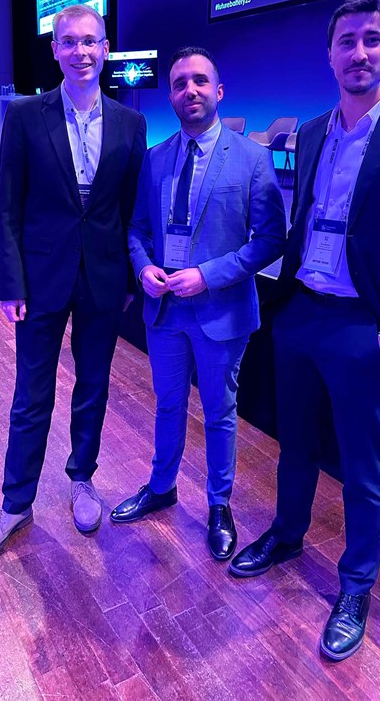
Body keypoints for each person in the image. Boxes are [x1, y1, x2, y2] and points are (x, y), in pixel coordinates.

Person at [230, 0, 380, 660]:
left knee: (363, 471)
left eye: (370, 40)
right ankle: (286, 535)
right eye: (346, 41)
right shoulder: (307, 133)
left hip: (367, 330)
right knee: (294, 448)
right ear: (329, 55)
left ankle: (355, 587)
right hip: (301, 315)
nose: (358, 52)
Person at [0, 5, 146, 563]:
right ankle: (15, 503)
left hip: (104, 279)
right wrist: (10, 283)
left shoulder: (131, 123)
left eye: (90, 41)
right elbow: (9, 206)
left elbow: (131, 210)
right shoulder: (25, 116)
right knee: (31, 395)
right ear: (55, 50)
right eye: (70, 42)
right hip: (41, 279)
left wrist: (130, 276)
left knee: (93, 386)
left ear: (106, 48)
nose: (81, 52)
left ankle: (82, 479)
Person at [110, 47, 286, 561]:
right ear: (170, 95)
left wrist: (208, 276)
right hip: (164, 311)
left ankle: (218, 505)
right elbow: (137, 228)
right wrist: (143, 266)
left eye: (201, 81)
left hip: (220, 311)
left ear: (219, 91)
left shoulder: (251, 158)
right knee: (167, 404)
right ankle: (161, 487)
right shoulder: (154, 159)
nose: (190, 90)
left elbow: (271, 238)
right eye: (180, 83)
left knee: (219, 413)